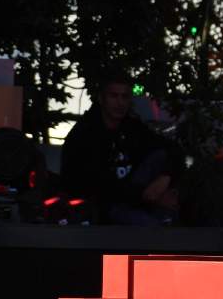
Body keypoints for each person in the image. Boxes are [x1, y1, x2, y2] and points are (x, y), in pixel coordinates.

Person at [61, 72, 181, 225]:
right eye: (114, 96)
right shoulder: (84, 135)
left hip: (136, 198)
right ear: (101, 99)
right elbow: (99, 187)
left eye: (125, 97)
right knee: (152, 228)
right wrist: (147, 195)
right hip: (100, 207)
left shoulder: (132, 128)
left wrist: (166, 176)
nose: (120, 103)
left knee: (161, 156)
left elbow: (172, 149)